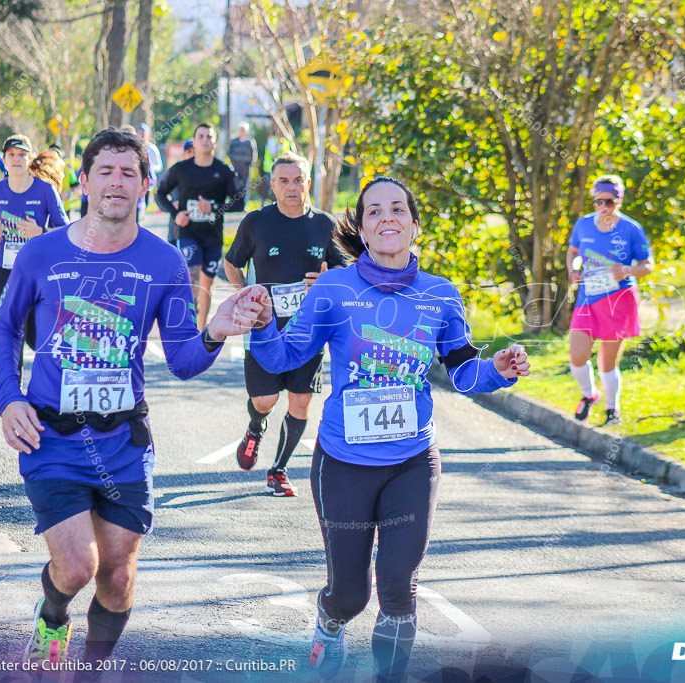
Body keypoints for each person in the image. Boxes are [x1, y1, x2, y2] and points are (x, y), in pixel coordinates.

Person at [0, 128, 263, 668]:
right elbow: (3, 327)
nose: (116, 182)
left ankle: (92, 671)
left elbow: (183, 361)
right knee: (76, 568)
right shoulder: (42, 254)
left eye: (128, 173)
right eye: (105, 172)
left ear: (144, 186)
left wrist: (215, 331)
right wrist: (8, 398)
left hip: (123, 439)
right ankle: (52, 616)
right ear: (84, 181)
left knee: (117, 577)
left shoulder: (163, 264)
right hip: (50, 433)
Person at [246, 177, 530, 681]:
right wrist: (264, 324)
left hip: (413, 465)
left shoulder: (440, 295)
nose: (387, 218)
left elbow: (464, 371)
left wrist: (500, 368)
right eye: (374, 211)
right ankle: (329, 625)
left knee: (399, 587)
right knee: (350, 594)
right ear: (363, 226)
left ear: (415, 225)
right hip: (343, 463)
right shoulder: (334, 288)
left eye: (397, 208)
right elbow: (287, 355)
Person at [223, 151, 345, 496]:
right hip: (266, 330)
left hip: (309, 330)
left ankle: (278, 469)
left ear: (308, 183)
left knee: (301, 401)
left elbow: (341, 271)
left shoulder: (324, 225)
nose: (292, 187)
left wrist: (324, 281)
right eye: (284, 181)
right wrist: (245, 293)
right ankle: (255, 427)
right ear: (273, 185)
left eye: (298, 180)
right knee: (264, 400)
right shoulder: (256, 223)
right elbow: (232, 262)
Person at [565, 174, 653, 426]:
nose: (603, 207)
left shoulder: (631, 228)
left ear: (619, 200)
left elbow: (648, 265)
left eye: (609, 202)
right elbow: (573, 251)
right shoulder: (582, 225)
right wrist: (572, 269)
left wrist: (626, 270)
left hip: (619, 298)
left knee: (607, 361)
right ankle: (589, 394)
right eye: (598, 201)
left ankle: (612, 409)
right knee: (577, 356)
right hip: (587, 298)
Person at [0, 134, 69, 368]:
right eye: (11, 154)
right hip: (6, 269)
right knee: (12, 328)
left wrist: (40, 231)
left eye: (22, 154)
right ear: (3, 159)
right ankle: (15, 394)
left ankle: (49, 387)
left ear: (30, 158)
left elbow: (65, 230)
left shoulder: (45, 191)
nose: (16, 159)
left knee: (35, 333)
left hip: (38, 271)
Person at [154, 122, 243, 328]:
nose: (205, 140)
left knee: (207, 285)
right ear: (194, 142)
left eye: (209, 136)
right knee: (193, 278)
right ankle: (190, 327)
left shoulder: (223, 171)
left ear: (215, 142)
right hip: (188, 233)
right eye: (200, 136)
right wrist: (176, 214)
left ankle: (200, 330)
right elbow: (160, 193)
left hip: (213, 237)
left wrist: (213, 207)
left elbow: (239, 202)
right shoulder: (182, 169)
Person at [228, 122, 258, 204]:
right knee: (236, 184)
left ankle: (244, 204)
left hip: (246, 167)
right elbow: (229, 153)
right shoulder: (234, 141)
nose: (242, 131)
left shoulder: (250, 141)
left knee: (246, 186)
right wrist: (233, 163)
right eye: (241, 130)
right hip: (236, 167)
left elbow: (254, 154)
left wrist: (251, 163)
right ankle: (236, 203)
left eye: (244, 130)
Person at [259, 127, 290, 202]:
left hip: (282, 169)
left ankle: (276, 202)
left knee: (279, 186)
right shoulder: (272, 140)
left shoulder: (285, 142)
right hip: (270, 167)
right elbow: (273, 154)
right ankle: (265, 202)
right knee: (269, 186)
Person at [138, 122, 163, 208]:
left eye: (144, 133)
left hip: (149, 181)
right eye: (140, 132)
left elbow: (159, 166)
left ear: (148, 134)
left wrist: (150, 168)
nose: (142, 135)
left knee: (146, 204)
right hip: (138, 180)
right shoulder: (135, 148)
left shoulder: (152, 149)